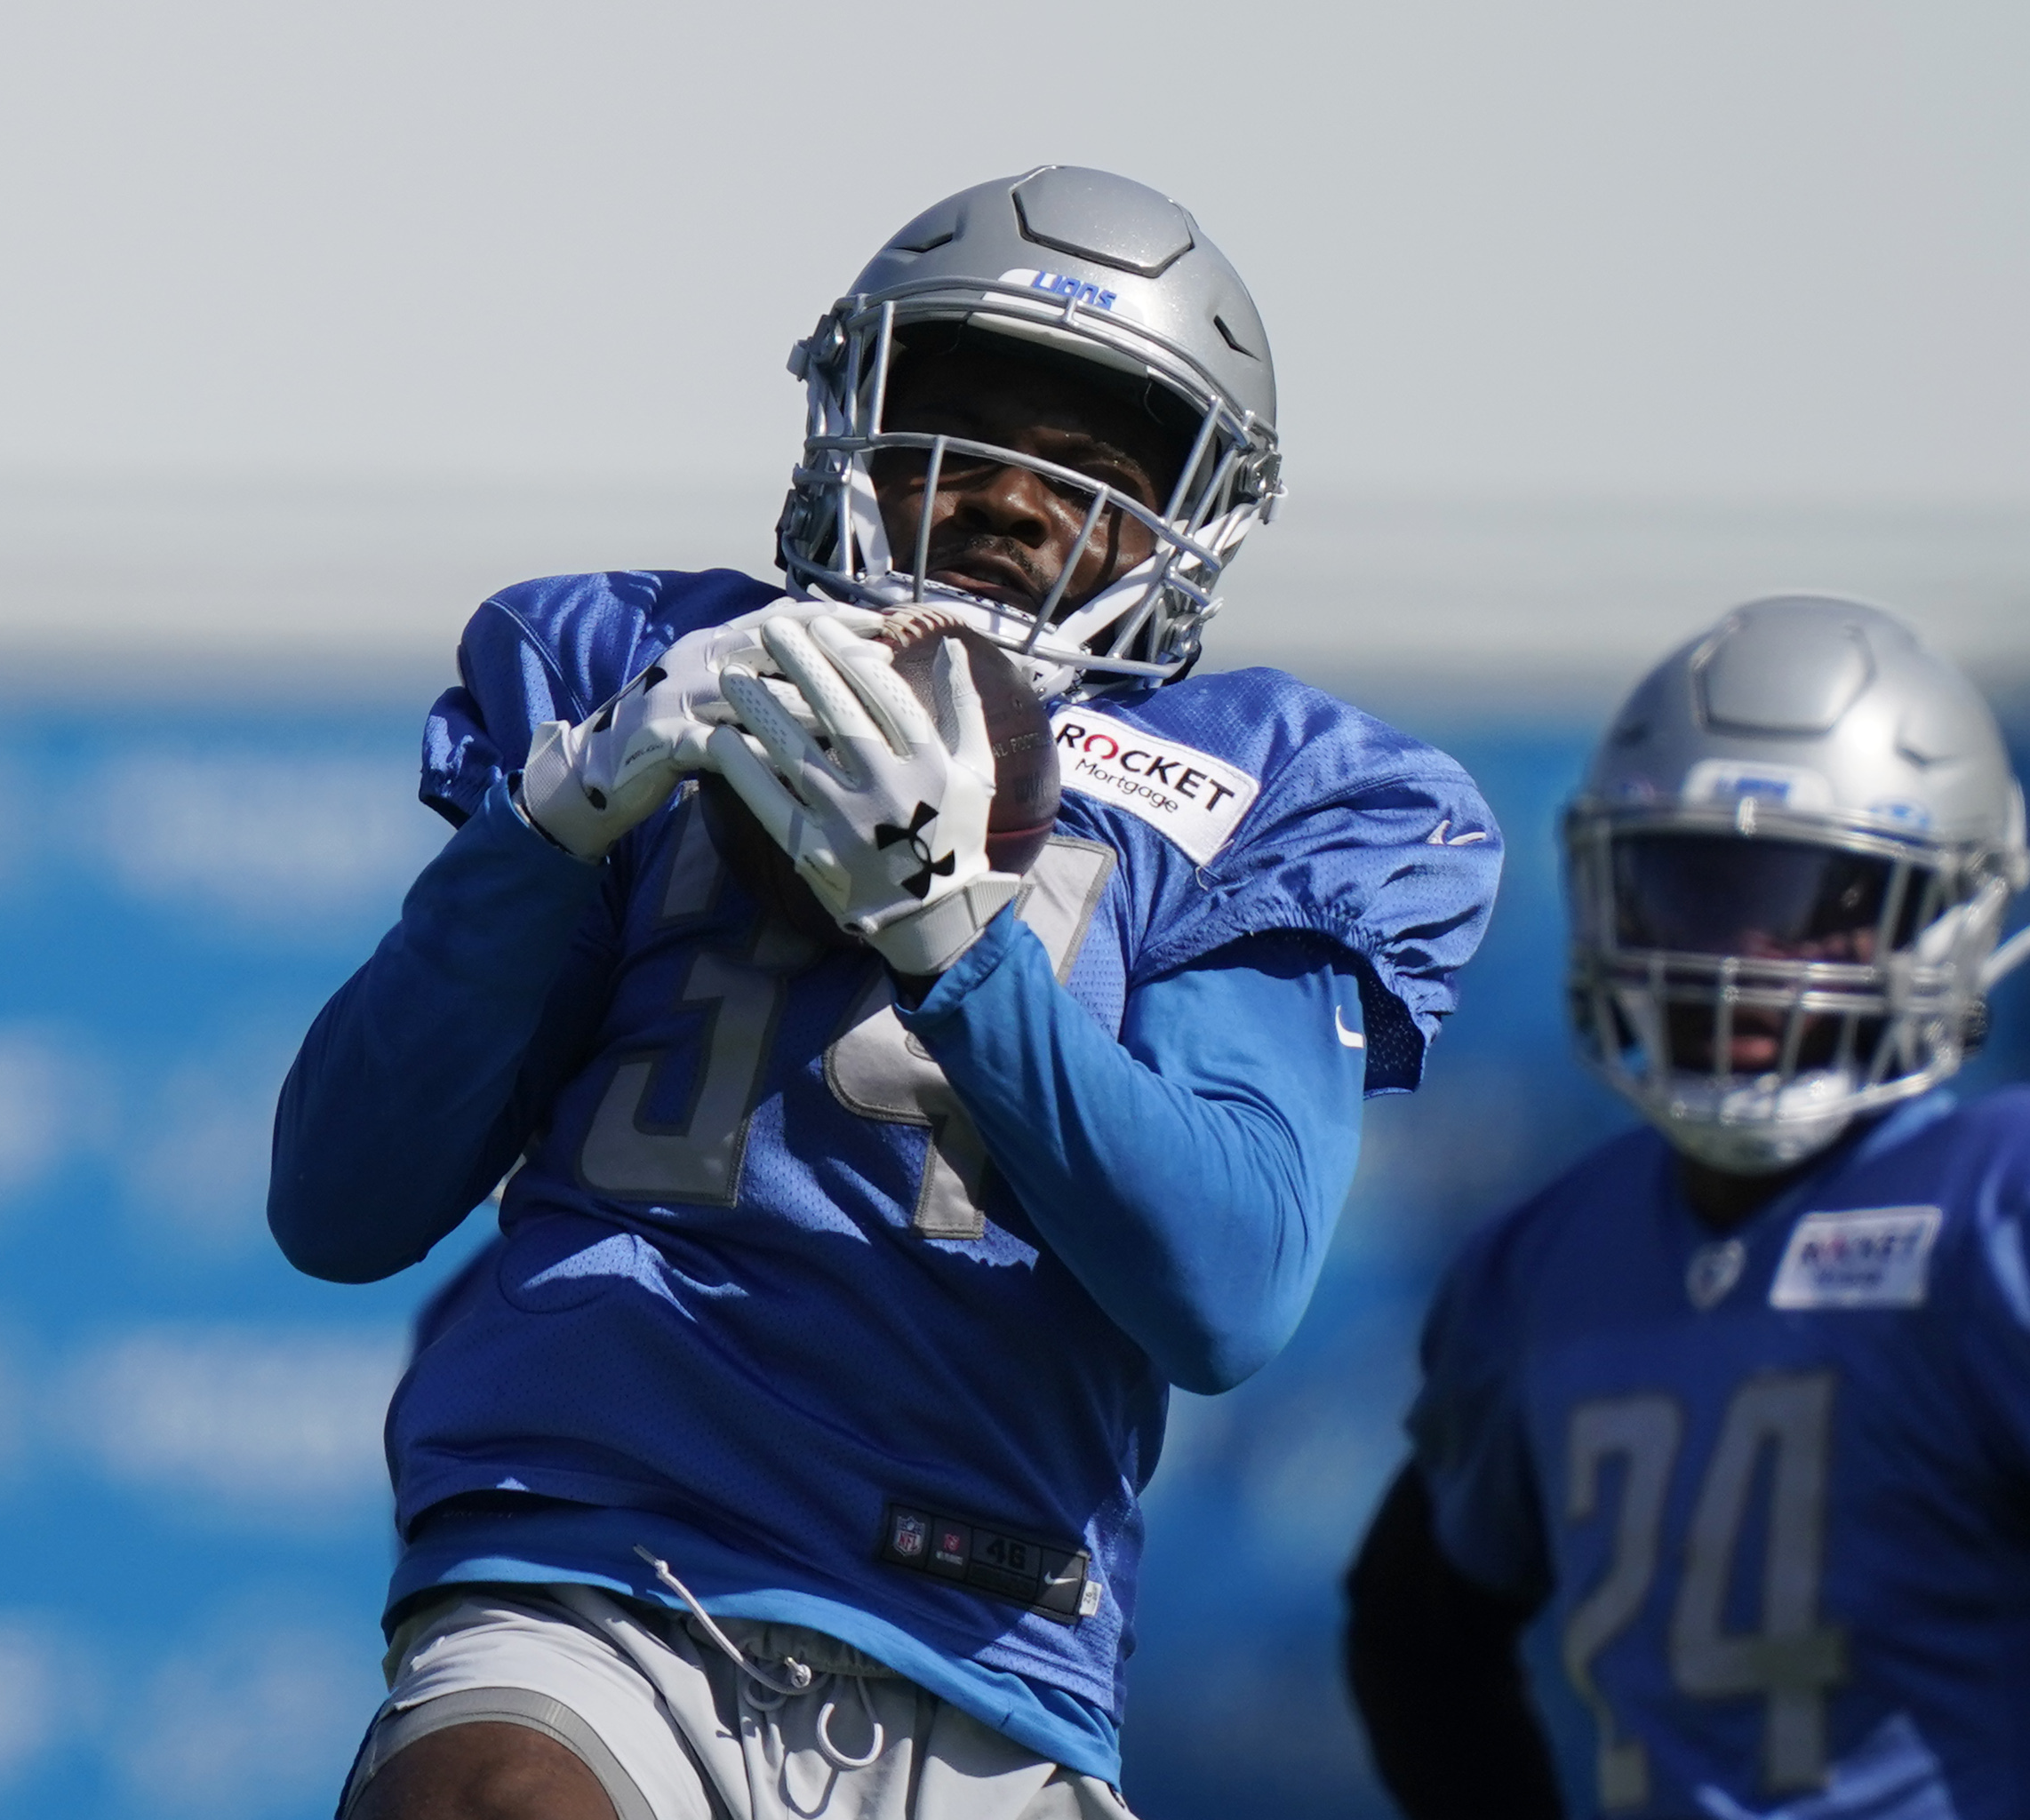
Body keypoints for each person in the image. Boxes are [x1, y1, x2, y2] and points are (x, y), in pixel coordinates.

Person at [269, 166, 1504, 1820]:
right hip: (593, 1575)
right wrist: (558, 818)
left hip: (993, 1648)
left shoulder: (1269, 785)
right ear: (852, 422)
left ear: (1186, 519)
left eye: (1091, 461)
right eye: (963, 426)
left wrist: (953, 945)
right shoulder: (636, 666)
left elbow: (1228, 1288)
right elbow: (340, 1202)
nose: (1010, 495)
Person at [1343, 596, 2030, 1819]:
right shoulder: (1545, 1264)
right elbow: (1412, 1632)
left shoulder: (2028, 1221)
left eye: (1814, 902)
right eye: (1694, 886)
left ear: (1946, 915)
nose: (1740, 957)